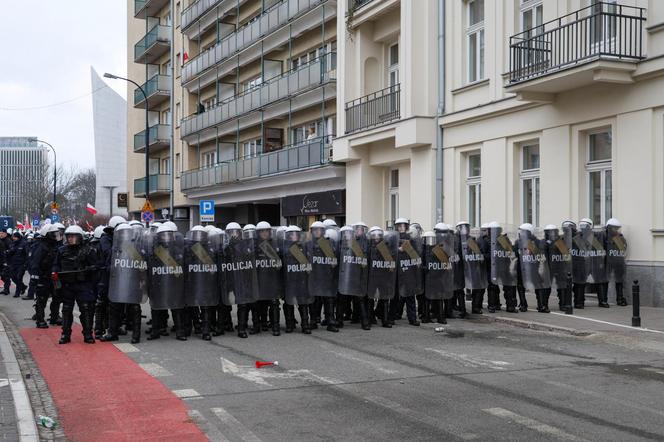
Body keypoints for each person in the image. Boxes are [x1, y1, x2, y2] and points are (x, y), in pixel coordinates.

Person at [51, 225, 98, 344]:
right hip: (67, 285)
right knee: (66, 310)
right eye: (69, 236)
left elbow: (96, 266)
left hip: (83, 284)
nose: (70, 239)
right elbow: (56, 265)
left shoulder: (88, 250)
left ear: (80, 237)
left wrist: (90, 269)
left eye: (73, 236)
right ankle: (65, 334)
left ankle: (88, 334)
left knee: (86, 310)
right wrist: (54, 272)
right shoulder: (62, 250)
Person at [29, 225, 62, 328]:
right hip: (44, 276)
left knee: (57, 297)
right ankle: (40, 320)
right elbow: (35, 263)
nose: (56, 236)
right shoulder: (41, 246)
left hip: (55, 277)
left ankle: (55, 317)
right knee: (41, 299)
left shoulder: (56, 246)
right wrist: (35, 278)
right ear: (48, 234)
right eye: (54, 234)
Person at [604, 218, 628, 307]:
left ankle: (620, 299)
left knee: (619, 280)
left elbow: (623, 249)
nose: (616, 230)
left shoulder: (619, 237)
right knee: (605, 280)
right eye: (614, 228)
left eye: (617, 228)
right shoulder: (604, 236)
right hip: (607, 261)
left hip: (618, 261)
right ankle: (603, 300)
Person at [6, 231, 29, 298]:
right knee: (13, 277)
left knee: (19, 278)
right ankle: (23, 287)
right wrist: (9, 252)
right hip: (13, 264)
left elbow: (27, 255)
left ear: (18, 237)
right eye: (13, 237)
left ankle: (17, 293)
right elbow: (10, 253)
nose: (14, 238)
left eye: (15, 237)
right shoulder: (12, 244)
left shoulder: (24, 244)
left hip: (21, 264)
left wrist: (25, 264)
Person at [0, 229, 14, 295]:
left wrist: (6, 252)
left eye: (2, 233)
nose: (1, 234)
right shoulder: (1, 240)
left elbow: (12, 249)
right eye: (0, 233)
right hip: (1, 261)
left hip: (6, 261)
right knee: (2, 276)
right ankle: (6, 288)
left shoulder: (8, 240)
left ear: (5, 233)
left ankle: (6, 290)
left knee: (5, 276)